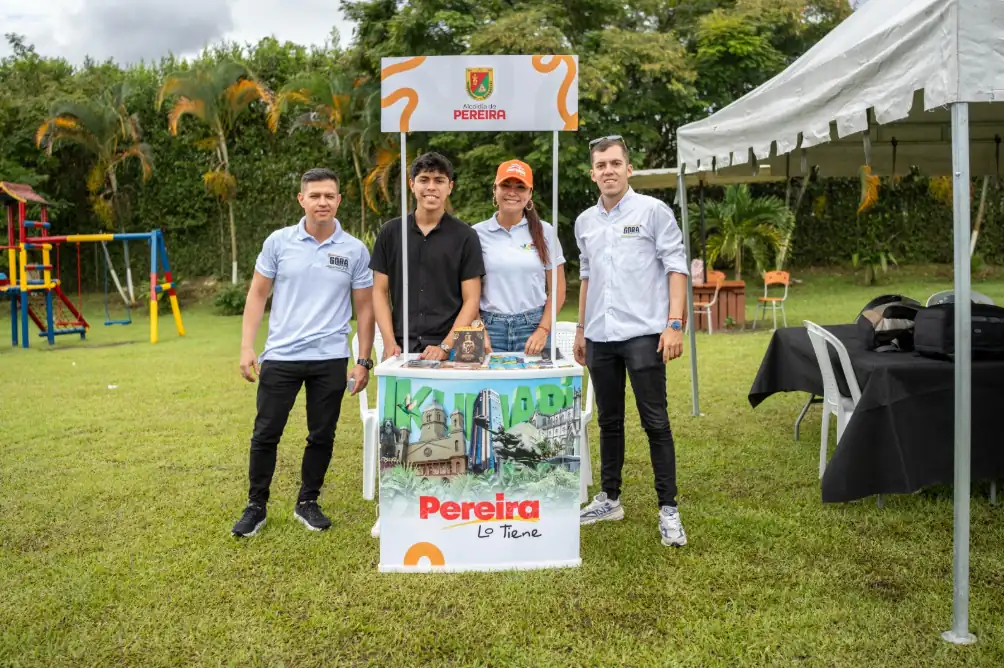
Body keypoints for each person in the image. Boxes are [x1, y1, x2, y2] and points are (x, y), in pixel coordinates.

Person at [231, 167, 375, 538]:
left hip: (330, 357)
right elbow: (258, 294)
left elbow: (365, 308)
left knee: (322, 435)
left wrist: (362, 360)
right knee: (266, 434)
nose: (322, 202)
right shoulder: (278, 242)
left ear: (339, 200)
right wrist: (248, 347)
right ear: (302, 199)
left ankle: (307, 502)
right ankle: (256, 505)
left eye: (329, 195)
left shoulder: (355, 250)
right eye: (315, 195)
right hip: (281, 355)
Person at [572, 136, 689, 547]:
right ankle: (610, 498)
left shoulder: (653, 212)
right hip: (600, 337)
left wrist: (674, 324)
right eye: (601, 164)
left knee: (655, 423)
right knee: (608, 421)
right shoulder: (585, 221)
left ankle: (669, 510)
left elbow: (677, 268)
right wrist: (581, 330)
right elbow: (586, 278)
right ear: (593, 173)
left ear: (629, 168)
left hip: (644, 336)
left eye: (615, 163)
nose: (608, 170)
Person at [370, 152, 485, 360]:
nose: (431, 187)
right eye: (424, 180)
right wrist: (389, 342)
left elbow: (472, 299)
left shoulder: (466, 236)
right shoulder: (391, 233)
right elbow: (379, 291)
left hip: (453, 349)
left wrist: (445, 346)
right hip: (402, 347)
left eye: (439, 181)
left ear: (450, 187)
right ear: (412, 184)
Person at [472, 159, 566, 354]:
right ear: (495, 190)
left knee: (543, 385)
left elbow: (557, 289)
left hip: (534, 328)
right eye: (505, 185)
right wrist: (478, 328)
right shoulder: (476, 234)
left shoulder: (545, 232)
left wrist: (543, 329)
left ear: (530, 194)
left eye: (520, 187)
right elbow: (466, 293)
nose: (512, 192)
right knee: (484, 385)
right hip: (489, 329)